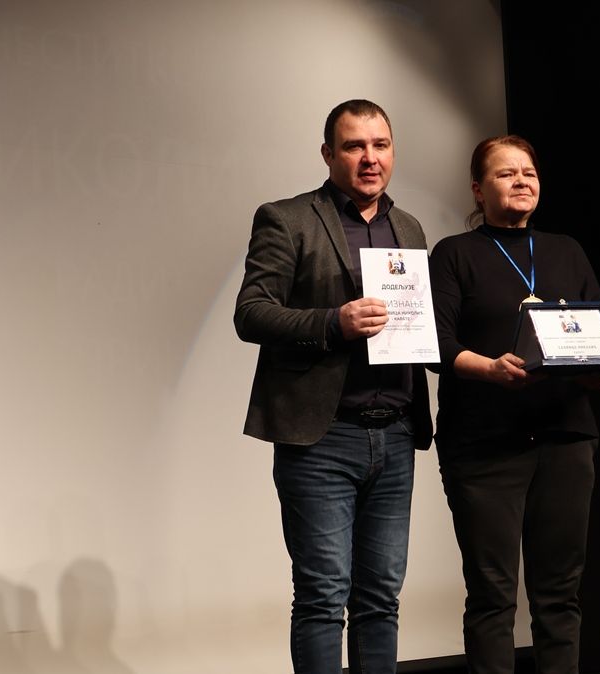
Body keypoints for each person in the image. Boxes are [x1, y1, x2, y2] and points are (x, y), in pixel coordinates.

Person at [234, 99, 433, 674]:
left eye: (381, 145)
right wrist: (332, 322)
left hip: (395, 435)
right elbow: (251, 312)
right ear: (328, 154)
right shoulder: (287, 218)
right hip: (322, 439)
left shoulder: (409, 226)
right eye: (354, 146)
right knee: (323, 598)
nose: (370, 158)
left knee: (381, 600)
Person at [428, 135, 600, 674]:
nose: (521, 182)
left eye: (528, 173)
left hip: (565, 439)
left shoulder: (566, 249)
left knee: (560, 595)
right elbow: (436, 344)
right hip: (485, 445)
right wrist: (488, 368)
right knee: (493, 596)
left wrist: (598, 368)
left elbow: (593, 330)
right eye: (505, 173)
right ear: (477, 189)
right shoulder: (454, 254)